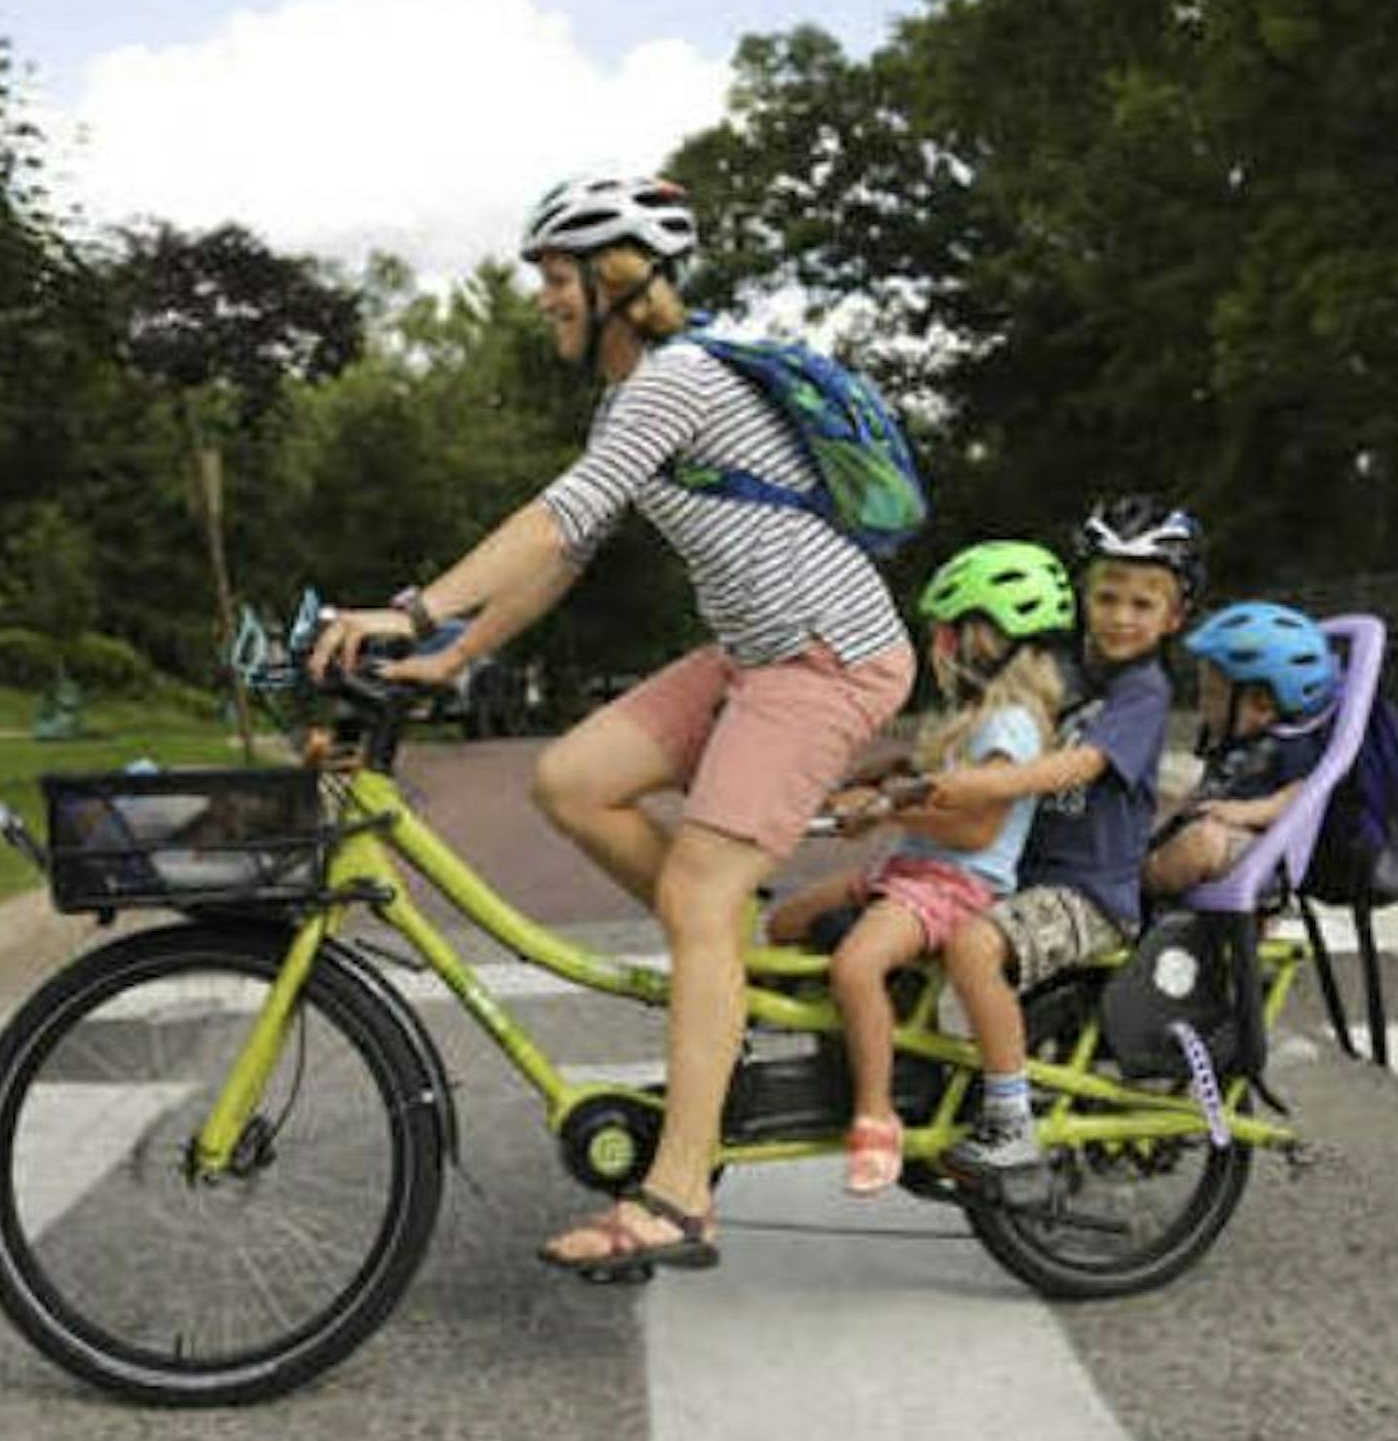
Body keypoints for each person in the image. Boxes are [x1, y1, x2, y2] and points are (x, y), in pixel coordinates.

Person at [308, 174, 915, 1276]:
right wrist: (452, 654)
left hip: (827, 655)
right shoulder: (634, 400)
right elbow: (569, 552)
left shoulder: (677, 377)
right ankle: (726, 956)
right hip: (748, 654)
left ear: (617, 280)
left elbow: (559, 516)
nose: (543, 299)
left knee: (694, 887)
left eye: (554, 277)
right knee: (575, 778)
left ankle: (682, 1194)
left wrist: (412, 608)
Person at [766, 541, 1074, 1196]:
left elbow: (975, 826)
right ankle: (868, 1035)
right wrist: (861, 782)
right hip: (912, 870)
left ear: (993, 638)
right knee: (785, 922)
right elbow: (920, 777)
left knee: (855, 964)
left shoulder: (1012, 726)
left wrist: (880, 811)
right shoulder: (969, 719)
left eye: (951, 629)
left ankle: (876, 1114)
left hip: (958, 885)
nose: (940, 643)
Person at [921, 495, 1203, 1193]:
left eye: (1143, 603)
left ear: (1174, 618)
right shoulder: (1064, 675)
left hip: (1091, 893)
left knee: (973, 946)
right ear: (1083, 596)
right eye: (1108, 596)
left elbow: (1081, 765)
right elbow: (991, 726)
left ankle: (1012, 1124)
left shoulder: (1142, 690)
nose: (1121, 616)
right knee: (902, 915)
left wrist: (993, 786)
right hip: (1023, 875)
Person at [1143, 601, 1338, 900]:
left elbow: (1302, 795)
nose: (1202, 704)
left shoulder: (1290, 744)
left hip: (1261, 848)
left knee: (1201, 842)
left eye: (1212, 694)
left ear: (1262, 705)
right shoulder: (1237, 742)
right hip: (1227, 835)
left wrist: (1246, 813)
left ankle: (1135, 892)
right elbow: (1211, 787)